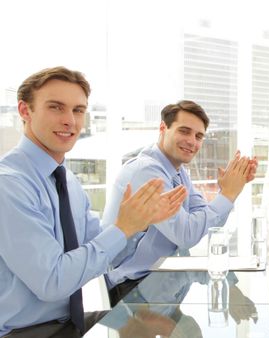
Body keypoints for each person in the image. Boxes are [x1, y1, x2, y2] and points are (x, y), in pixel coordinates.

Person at [0, 66, 186, 337]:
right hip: (28, 331)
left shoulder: (70, 182)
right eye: (56, 107)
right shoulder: (9, 184)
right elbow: (52, 282)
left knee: (165, 325)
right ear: (25, 111)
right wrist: (122, 228)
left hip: (69, 321)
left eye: (78, 110)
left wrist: (139, 224)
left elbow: (100, 253)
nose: (70, 121)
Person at [102, 100, 257, 306]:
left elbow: (203, 218)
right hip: (133, 291)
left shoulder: (177, 171)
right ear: (162, 128)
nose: (192, 141)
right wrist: (227, 194)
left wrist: (227, 191)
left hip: (161, 280)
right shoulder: (146, 171)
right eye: (184, 131)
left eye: (198, 136)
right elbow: (187, 234)